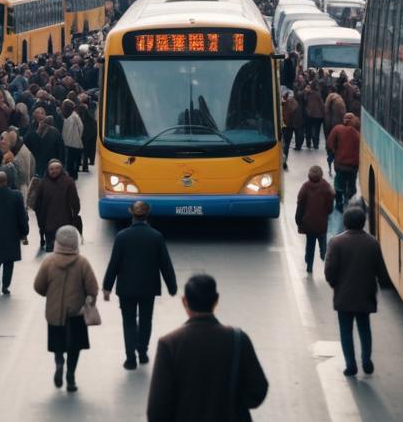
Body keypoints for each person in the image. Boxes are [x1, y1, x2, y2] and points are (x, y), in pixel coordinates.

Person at [147, 274, 269, 422]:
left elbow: (157, 411)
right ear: (216, 300)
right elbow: (258, 389)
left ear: (184, 301)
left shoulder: (169, 344)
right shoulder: (238, 339)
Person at [102, 200, 177, 369]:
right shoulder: (156, 236)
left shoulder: (122, 237)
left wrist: (107, 287)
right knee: (145, 320)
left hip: (126, 288)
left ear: (132, 214)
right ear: (147, 215)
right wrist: (172, 286)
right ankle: (142, 352)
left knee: (128, 322)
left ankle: (130, 359)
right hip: (148, 288)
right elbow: (165, 264)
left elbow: (114, 263)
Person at [33, 225, 99, 392]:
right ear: (76, 242)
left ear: (57, 241)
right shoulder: (82, 263)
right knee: (74, 347)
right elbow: (92, 288)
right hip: (76, 313)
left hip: (55, 313)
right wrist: (89, 299)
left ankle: (59, 362)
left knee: (58, 344)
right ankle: (70, 376)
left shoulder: (49, 261)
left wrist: (50, 294)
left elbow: (38, 286)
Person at [324, 206, 382, 377]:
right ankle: (366, 360)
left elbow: (329, 270)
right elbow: (380, 269)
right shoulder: (372, 242)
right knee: (365, 328)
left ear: (345, 222)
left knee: (346, 331)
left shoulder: (336, 242)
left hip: (344, 295)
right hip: (365, 293)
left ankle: (351, 364)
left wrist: (335, 284)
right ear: (363, 223)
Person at [32, 159, 80, 252]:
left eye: (57, 168)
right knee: (62, 250)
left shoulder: (45, 183)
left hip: (57, 226)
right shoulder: (68, 182)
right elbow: (37, 204)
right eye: (52, 169)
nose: (54, 171)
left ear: (61, 169)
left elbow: (37, 205)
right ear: (48, 170)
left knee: (55, 251)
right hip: (55, 226)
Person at [296, 165, 335, 274]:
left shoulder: (305, 187)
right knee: (322, 240)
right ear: (321, 174)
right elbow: (330, 205)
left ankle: (309, 263)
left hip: (308, 223)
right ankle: (323, 253)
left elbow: (300, 205)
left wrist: (298, 221)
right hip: (322, 223)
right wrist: (327, 213)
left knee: (310, 243)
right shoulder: (326, 186)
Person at [327, 113, 361, 211]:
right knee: (351, 183)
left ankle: (338, 202)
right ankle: (350, 201)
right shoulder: (357, 134)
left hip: (340, 164)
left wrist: (333, 153)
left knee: (339, 183)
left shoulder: (337, 129)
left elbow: (330, 143)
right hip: (353, 166)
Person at [324, 85, 348, 168]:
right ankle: (334, 161)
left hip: (332, 126)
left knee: (331, 144)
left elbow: (326, 112)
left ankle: (330, 161)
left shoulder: (330, 98)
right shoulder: (340, 99)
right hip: (339, 125)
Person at [60, 99, 84, 180]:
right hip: (69, 140)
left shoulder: (74, 116)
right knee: (70, 159)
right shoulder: (70, 115)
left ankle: (72, 175)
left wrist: (78, 136)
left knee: (71, 159)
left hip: (72, 141)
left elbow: (81, 127)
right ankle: (72, 174)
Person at [281, 92, 301, 168]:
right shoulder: (295, 103)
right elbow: (297, 117)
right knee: (286, 145)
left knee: (284, 144)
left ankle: (283, 160)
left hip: (285, 126)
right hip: (290, 127)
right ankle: (284, 160)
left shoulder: (283, 103)